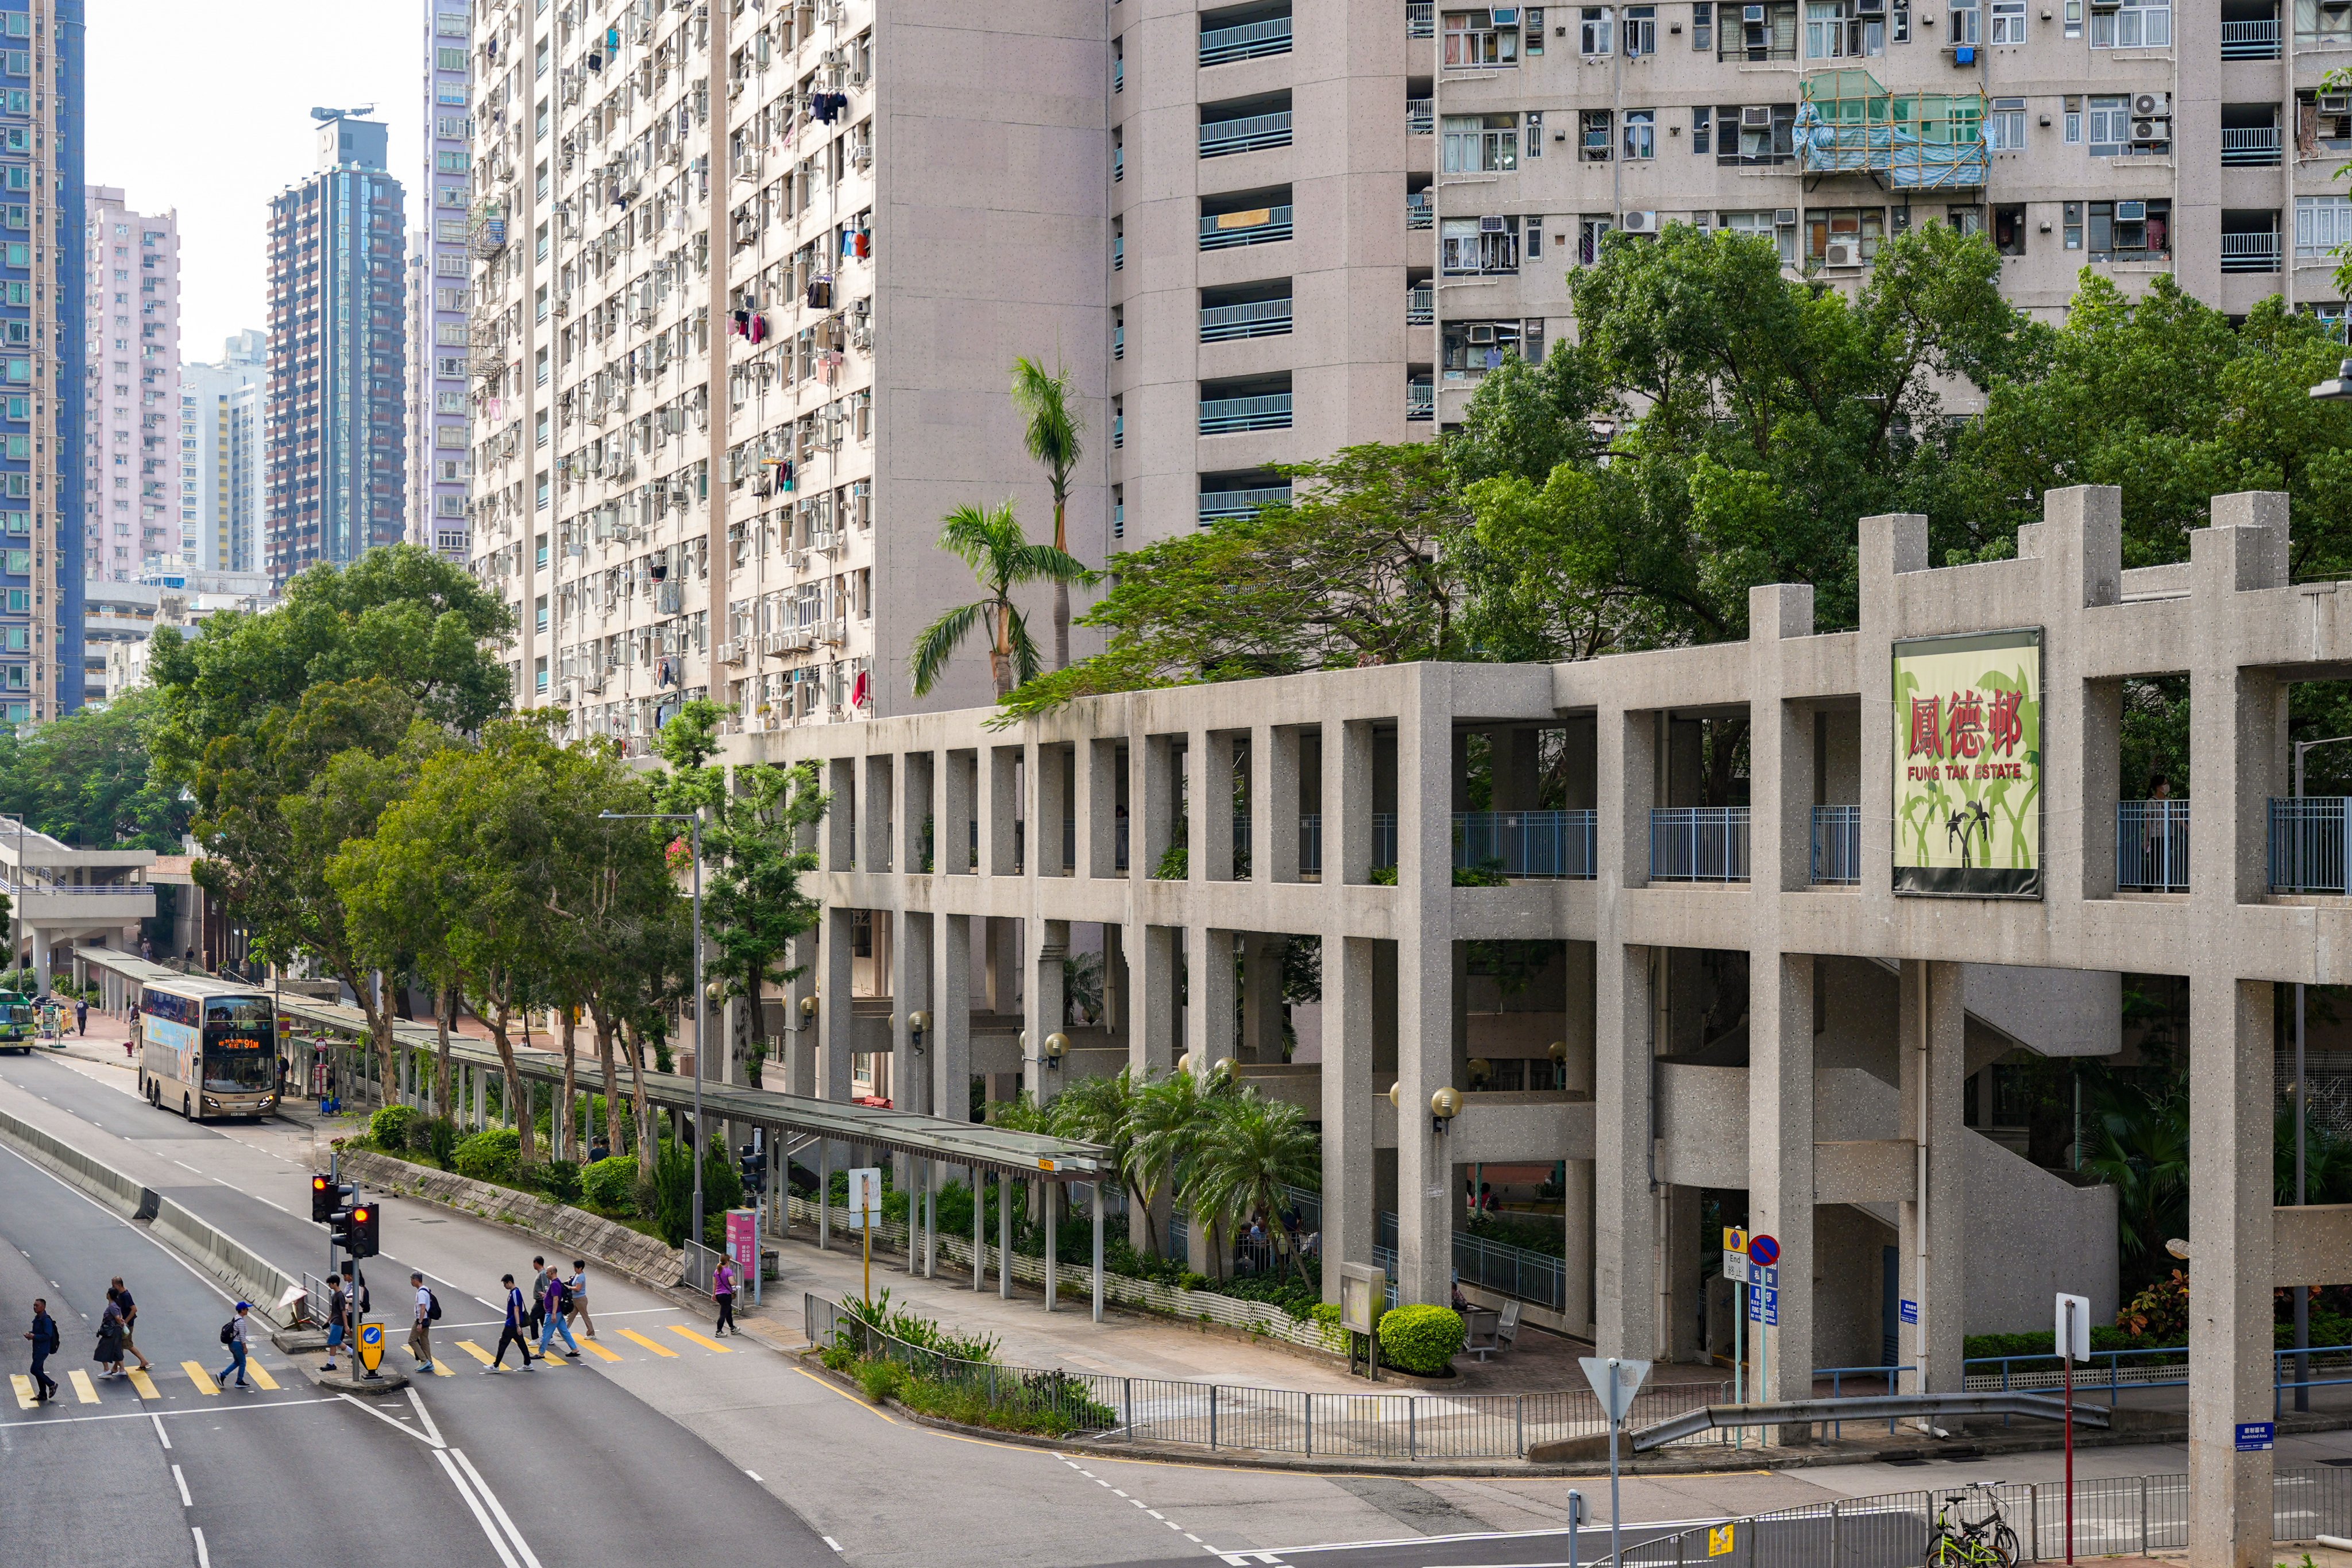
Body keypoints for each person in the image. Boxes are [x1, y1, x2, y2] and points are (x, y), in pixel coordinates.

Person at [488, 1274, 536, 1372]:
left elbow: (516, 1309)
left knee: (503, 1343)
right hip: (513, 1323)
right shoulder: (514, 1292)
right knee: (521, 1343)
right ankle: (528, 1363)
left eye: (505, 1284)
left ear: (510, 1282)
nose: (504, 1286)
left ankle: (496, 1365)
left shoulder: (515, 1293)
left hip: (512, 1324)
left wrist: (518, 1325)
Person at [110, 1277, 152, 1373]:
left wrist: (125, 1322)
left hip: (127, 1325)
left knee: (128, 1345)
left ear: (119, 1285)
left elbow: (134, 1309)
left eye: (114, 1285)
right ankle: (116, 1368)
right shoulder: (120, 1295)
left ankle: (144, 1361)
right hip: (124, 1324)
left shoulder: (126, 1295)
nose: (113, 1287)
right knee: (120, 1345)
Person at [536, 1269, 581, 1359]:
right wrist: (546, 1296)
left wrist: (553, 1314)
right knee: (564, 1331)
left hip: (553, 1312)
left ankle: (541, 1353)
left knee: (546, 1332)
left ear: (552, 1273)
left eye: (547, 1273)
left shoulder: (554, 1284)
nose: (546, 1274)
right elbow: (554, 1296)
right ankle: (574, 1349)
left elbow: (556, 1299)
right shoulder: (557, 1282)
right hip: (558, 1312)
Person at [24, 1296, 57, 1402]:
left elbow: (48, 1335)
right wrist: (31, 1334)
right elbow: (37, 1332)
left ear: (43, 1307)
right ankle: (42, 1394)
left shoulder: (46, 1320)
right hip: (37, 1349)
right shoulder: (38, 1318)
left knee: (34, 1370)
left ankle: (52, 1384)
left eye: (37, 1306)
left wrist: (34, 1337)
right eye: (34, 1305)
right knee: (39, 1371)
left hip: (43, 1350)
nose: (35, 1307)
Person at [218, 1301, 255, 1390]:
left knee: (237, 1362)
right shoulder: (241, 1322)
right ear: (242, 1310)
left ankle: (223, 1375)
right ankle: (239, 1382)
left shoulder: (236, 1318)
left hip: (232, 1344)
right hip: (237, 1344)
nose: (248, 1310)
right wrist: (245, 1348)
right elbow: (242, 1336)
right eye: (246, 1309)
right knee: (243, 1363)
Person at [408, 1271, 435, 1374]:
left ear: (416, 1280)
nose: (411, 1282)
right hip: (427, 1319)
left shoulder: (421, 1293)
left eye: (412, 1280)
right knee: (424, 1340)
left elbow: (423, 1308)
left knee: (412, 1340)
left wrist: (420, 1323)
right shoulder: (425, 1289)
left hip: (422, 1320)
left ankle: (424, 1360)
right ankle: (429, 1362)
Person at [95, 1291, 125, 1379]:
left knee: (101, 1349)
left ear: (109, 1295)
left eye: (107, 1293)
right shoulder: (116, 1305)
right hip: (115, 1330)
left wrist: (121, 1323)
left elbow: (118, 1318)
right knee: (116, 1349)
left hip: (112, 1331)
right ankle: (122, 1370)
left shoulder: (112, 1306)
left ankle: (106, 1369)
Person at [321, 1273, 347, 1372]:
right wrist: (327, 1321)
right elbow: (333, 1310)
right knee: (335, 1342)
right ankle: (355, 1354)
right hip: (335, 1321)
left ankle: (331, 1363)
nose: (329, 1286)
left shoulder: (340, 1296)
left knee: (333, 1342)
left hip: (338, 1322)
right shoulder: (336, 1295)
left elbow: (343, 1311)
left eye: (330, 1284)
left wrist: (346, 1325)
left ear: (335, 1283)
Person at [566, 1260, 594, 1339]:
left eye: (576, 1268)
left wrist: (569, 1287)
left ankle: (591, 1334)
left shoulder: (581, 1277)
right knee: (571, 1316)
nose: (574, 1269)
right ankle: (564, 1332)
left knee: (585, 1316)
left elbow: (578, 1288)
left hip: (580, 1300)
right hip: (576, 1299)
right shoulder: (577, 1274)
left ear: (580, 1268)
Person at [712, 1256, 737, 1336]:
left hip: (719, 1294)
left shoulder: (716, 1271)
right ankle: (719, 1331)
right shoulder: (728, 1271)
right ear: (727, 1262)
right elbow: (732, 1283)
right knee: (723, 1313)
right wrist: (736, 1284)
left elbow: (715, 1284)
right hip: (726, 1295)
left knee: (728, 1311)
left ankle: (733, 1328)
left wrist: (714, 1294)